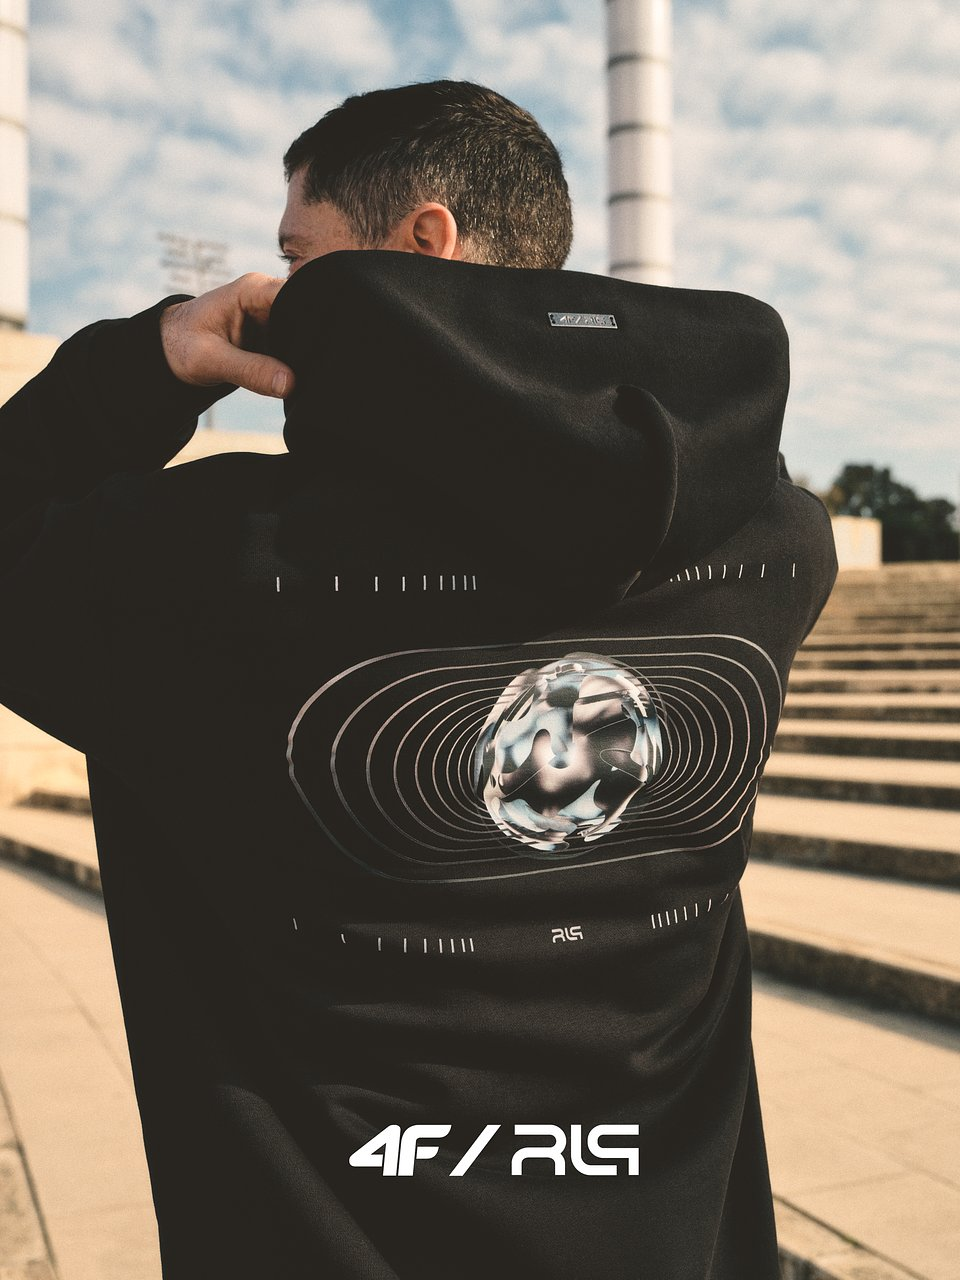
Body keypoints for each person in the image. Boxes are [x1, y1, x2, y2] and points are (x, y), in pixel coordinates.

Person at [0, 80, 837, 1278]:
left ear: (423, 241)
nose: (276, 294)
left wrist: (153, 360)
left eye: (301, 257)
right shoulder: (774, 548)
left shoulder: (215, 560)